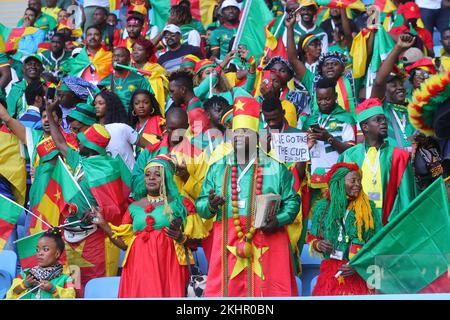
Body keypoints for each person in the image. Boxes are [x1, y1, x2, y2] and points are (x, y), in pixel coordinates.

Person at [196, 96, 301, 297]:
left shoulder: (275, 167)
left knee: (270, 293)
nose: (239, 137)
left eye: (245, 133)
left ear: (257, 136)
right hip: (227, 239)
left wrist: (278, 219)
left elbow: (292, 201)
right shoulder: (217, 168)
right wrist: (209, 205)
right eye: (235, 133)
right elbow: (200, 204)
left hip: (268, 239)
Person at [91, 155, 207, 297]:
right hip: (137, 267)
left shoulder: (182, 204)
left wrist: (181, 237)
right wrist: (104, 225)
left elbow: (198, 240)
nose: (151, 178)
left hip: (169, 266)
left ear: (166, 179)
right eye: (147, 174)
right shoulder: (133, 207)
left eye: (158, 175)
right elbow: (125, 245)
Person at [307, 162, 382, 296]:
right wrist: (318, 244)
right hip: (330, 273)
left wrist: (358, 265)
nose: (358, 184)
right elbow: (313, 238)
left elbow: (377, 245)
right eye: (353, 180)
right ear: (339, 183)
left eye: (359, 180)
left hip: (359, 274)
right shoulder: (322, 208)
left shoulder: (368, 209)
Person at [338, 98, 416, 225]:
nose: (383, 123)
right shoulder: (349, 156)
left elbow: (406, 199)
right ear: (365, 126)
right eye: (378, 120)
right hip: (355, 223)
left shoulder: (399, 156)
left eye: (384, 119)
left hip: (389, 225)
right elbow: (340, 194)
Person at [286, 13, 358, 117]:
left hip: (347, 128)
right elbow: (293, 59)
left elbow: (349, 39)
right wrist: (289, 28)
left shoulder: (351, 78)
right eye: (326, 64)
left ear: (343, 68)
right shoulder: (313, 80)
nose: (329, 66)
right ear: (320, 69)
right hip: (319, 129)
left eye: (334, 64)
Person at [371, 33, 416, 150]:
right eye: (393, 85)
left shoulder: (413, 107)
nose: (400, 87)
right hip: (392, 164)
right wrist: (398, 48)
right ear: (383, 90)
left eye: (401, 84)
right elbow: (379, 82)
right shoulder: (380, 108)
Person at [6, 228, 76, 299]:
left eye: (45, 249)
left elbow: (71, 297)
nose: (40, 253)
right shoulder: (26, 273)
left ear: (57, 254)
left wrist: (53, 290)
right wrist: (24, 284)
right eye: (37, 250)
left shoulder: (66, 279)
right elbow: (11, 294)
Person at [94, 91, 150, 170]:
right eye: (95, 104)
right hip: (109, 179)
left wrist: (141, 167)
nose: (96, 106)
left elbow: (150, 146)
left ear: (110, 105)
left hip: (131, 177)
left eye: (100, 103)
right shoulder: (92, 131)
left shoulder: (122, 128)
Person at [99, 47, 152, 111]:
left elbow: (149, 101)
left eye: (120, 56)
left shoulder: (139, 80)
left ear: (128, 60)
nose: (116, 59)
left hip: (132, 119)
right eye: (114, 56)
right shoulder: (104, 81)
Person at [131, 36, 169, 114]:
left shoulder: (157, 69)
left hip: (150, 106)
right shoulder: (128, 69)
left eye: (139, 49)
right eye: (133, 49)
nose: (135, 52)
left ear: (147, 54)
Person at [169, 70, 209, 136]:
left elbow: (201, 141)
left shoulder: (195, 112)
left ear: (183, 90)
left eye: (172, 91)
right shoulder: (191, 107)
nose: (170, 95)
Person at [7, 54, 44, 119]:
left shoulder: (47, 87)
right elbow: (8, 116)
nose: (33, 66)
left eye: (37, 64)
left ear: (42, 69)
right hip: (20, 127)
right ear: (23, 68)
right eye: (29, 64)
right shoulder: (16, 89)